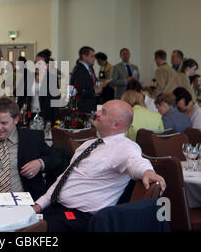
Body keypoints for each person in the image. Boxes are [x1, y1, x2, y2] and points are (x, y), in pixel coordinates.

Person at [31, 99, 166, 232]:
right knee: (21, 223)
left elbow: (135, 161)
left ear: (116, 125)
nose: (97, 112)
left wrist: (147, 171)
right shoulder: (88, 145)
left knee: (29, 231)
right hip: (56, 209)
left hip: (79, 219)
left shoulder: (124, 147)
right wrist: (39, 205)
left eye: (104, 112)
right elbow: (64, 178)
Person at [0, 97, 61, 201]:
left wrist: (40, 163)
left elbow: (57, 158)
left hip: (19, 200)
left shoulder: (32, 139)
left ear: (16, 119)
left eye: (4, 123)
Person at [17, 49, 59, 123]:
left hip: (46, 115)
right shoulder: (29, 77)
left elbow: (55, 102)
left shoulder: (52, 78)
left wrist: (55, 120)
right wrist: (16, 113)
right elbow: (21, 98)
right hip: (31, 114)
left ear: (46, 65)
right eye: (35, 62)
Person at [69, 46, 102, 114]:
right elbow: (78, 91)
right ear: (84, 56)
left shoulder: (90, 68)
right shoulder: (79, 70)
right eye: (92, 56)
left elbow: (92, 84)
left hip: (90, 105)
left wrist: (97, 87)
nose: (94, 59)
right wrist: (94, 91)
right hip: (83, 108)